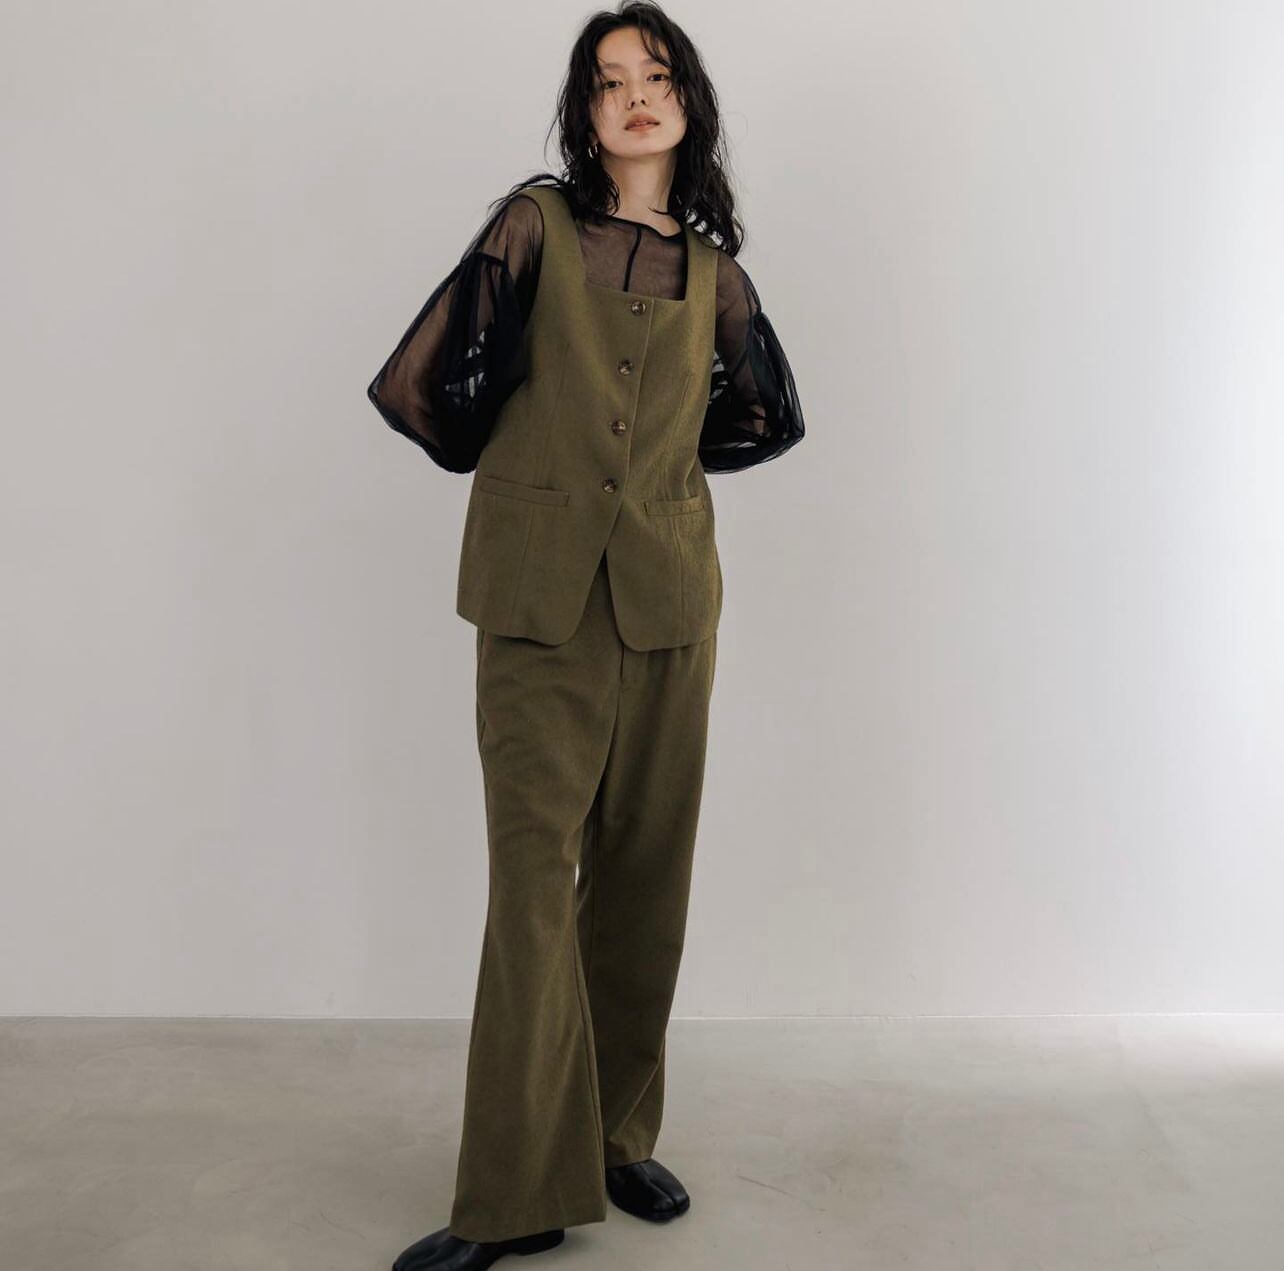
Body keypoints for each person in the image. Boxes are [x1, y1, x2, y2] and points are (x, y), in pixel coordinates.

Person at [366, 4, 804, 1268]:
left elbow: (765, 416)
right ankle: (512, 1192)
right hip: (538, 600)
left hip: (670, 601)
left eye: (656, 75)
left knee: (646, 872)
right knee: (531, 886)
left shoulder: (716, 274)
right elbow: (425, 386)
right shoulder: (534, 226)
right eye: (610, 82)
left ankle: (613, 1135)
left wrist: (651, 486)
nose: (636, 96)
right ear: (587, 112)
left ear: (688, 102)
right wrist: (539, 468)